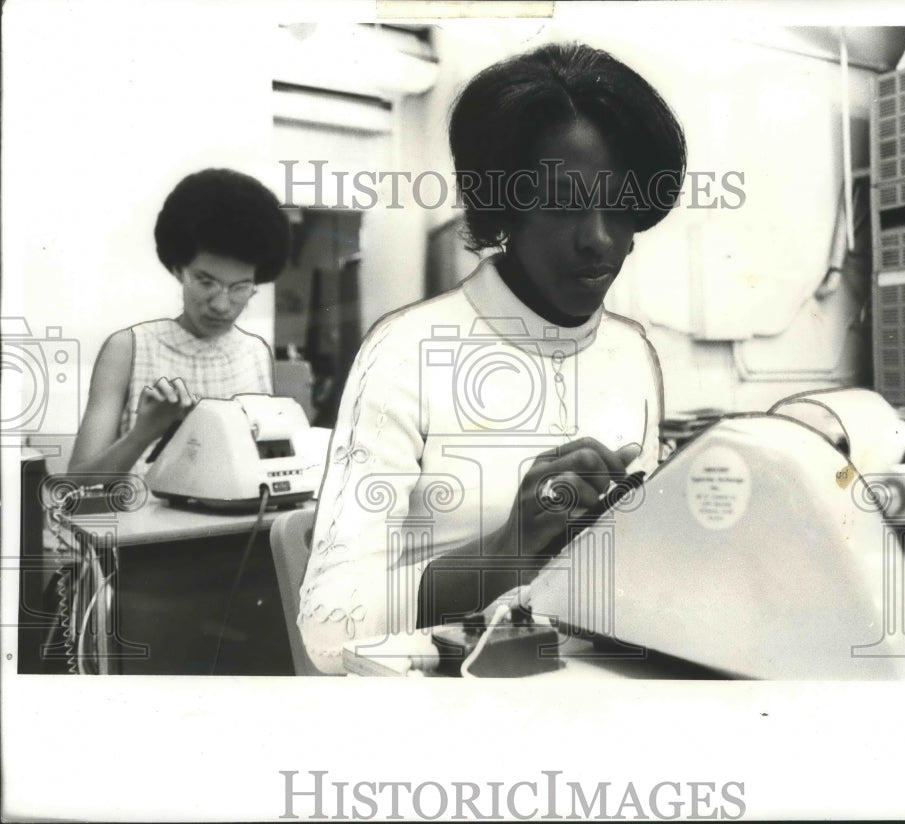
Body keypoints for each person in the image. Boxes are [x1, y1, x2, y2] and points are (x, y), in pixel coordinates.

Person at [298, 42, 686, 674]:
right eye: (563, 203)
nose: (599, 239)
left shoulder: (632, 354)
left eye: (621, 205)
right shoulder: (405, 352)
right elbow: (324, 625)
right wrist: (503, 557)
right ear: (502, 207)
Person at [69, 169, 291, 477]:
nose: (221, 304)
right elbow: (72, 488)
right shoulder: (128, 348)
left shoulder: (256, 352)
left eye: (240, 287)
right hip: (146, 525)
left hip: (239, 524)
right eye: (205, 281)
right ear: (178, 270)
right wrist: (143, 433)